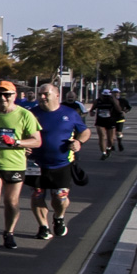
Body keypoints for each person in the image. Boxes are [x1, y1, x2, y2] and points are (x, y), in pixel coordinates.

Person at [0, 79, 42, 251]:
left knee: (11, 201)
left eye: (7, 94)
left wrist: (16, 142)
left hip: (15, 163)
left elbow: (37, 141)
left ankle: (9, 233)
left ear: (14, 96)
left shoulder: (25, 115)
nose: (2, 98)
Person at [28, 81, 89, 240]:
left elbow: (85, 131)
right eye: (40, 94)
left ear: (56, 95)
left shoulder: (70, 113)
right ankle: (43, 226)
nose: (41, 97)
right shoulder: (31, 113)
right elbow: (19, 133)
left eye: (45, 94)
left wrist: (78, 142)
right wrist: (23, 145)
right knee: (37, 195)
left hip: (62, 163)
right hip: (36, 163)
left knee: (60, 198)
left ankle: (59, 217)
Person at [92, 90, 125, 158]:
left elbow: (119, 110)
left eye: (107, 96)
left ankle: (108, 148)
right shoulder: (98, 101)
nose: (106, 98)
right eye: (104, 96)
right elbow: (92, 110)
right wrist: (92, 112)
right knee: (102, 137)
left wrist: (114, 101)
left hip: (110, 121)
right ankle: (104, 153)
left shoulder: (113, 101)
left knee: (110, 139)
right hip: (100, 121)